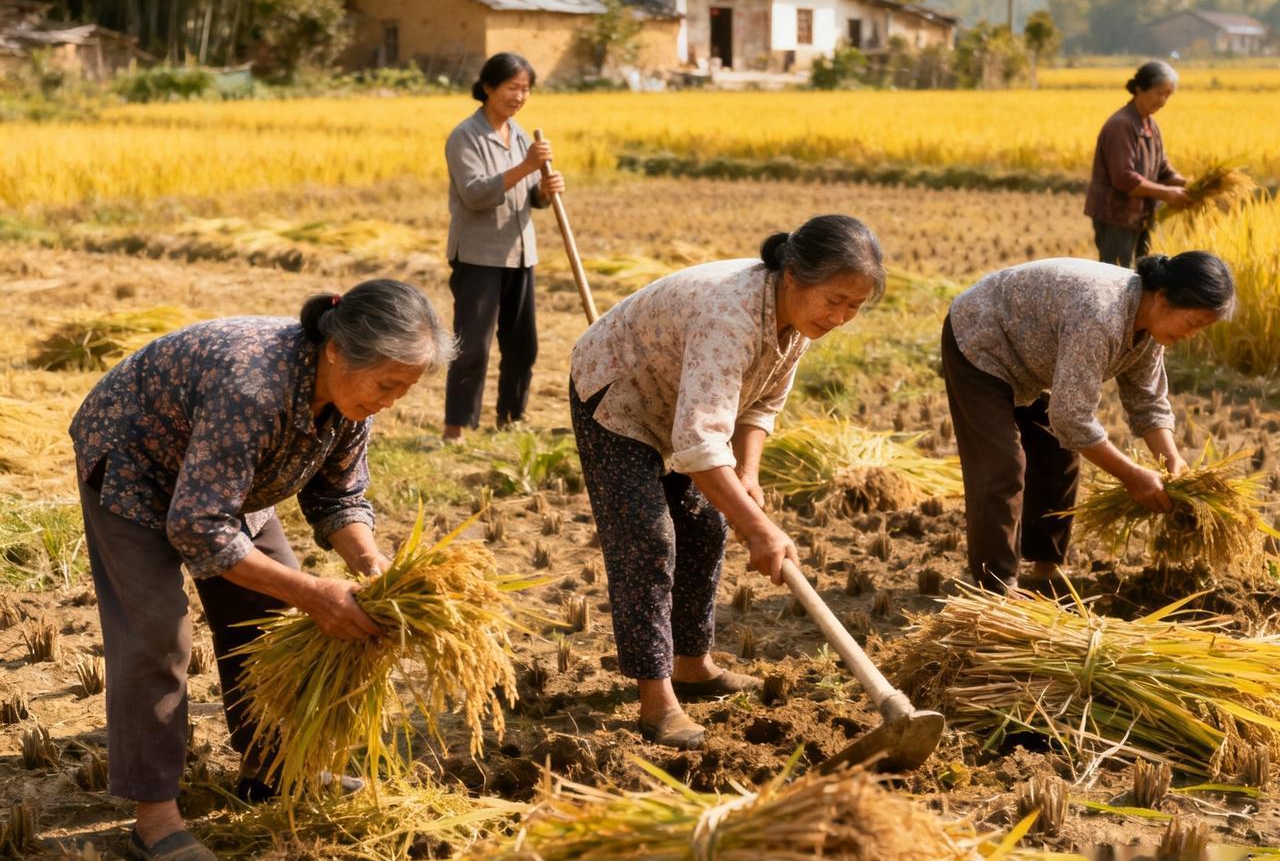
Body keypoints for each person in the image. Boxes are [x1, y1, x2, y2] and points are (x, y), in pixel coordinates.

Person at [69, 279, 454, 861]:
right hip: (135, 458)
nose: (392, 400)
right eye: (387, 384)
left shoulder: (354, 403)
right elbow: (197, 525)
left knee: (265, 614)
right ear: (335, 351)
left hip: (222, 474)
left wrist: (372, 566)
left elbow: (339, 495)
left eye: (405, 389)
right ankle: (155, 819)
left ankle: (271, 768)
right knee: (156, 632)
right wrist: (314, 595)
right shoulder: (253, 387)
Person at [569, 215, 887, 750]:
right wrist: (758, 528)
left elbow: (760, 401)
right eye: (835, 300)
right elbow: (697, 446)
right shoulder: (730, 317)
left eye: (854, 306)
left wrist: (748, 474)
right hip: (618, 395)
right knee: (648, 541)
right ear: (793, 277)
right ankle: (656, 702)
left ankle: (693, 666)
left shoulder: (799, 322)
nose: (841, 317)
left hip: (681, 405)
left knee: (707, 528)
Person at [940, 252, 1234, 593]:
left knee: (1057, 456)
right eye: (1194, 323)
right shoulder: (1101, 315)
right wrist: (1131, 475)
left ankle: (1045, 572)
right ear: (1164, 299)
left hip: (1033, 356)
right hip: (982, 339)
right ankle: (996, 590)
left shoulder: (1149, 328)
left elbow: (1147, 400)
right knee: (1002, 467)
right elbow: (1072, 418)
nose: (1193, 334)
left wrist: (1172, 462)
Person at [442, 52, 564, 441]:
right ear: (488, 87)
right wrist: (527, 167)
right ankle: (456, 427)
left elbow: (531, 199)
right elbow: (475, 194)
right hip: (479, 255)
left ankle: (511, 419)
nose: (520, 96)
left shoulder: (522, 135)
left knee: (522, 346)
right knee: (472, 347)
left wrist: (545, 190)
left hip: (521, 252)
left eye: (526, 89)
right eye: (513, 87)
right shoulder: (466, 136)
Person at [1084, 59, 1190, 267]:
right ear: (1140, 89)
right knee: (1117, 277)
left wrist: (1189, 186)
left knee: (1144, 277)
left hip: (1142, 216)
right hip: (1116, 216)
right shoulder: (1121, 125)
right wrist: (1168, 194)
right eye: (1159, 93)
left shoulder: (1151, 124)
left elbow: (1163, 170)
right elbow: (1124, 179)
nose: (1164, 100)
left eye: (1168, 95)